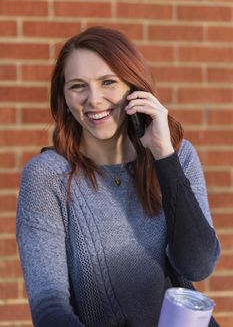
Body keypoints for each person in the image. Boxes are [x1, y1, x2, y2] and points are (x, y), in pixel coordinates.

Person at [16, 26, 220, 327]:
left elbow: (198, 265)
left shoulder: (177, 155)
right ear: (64, 97)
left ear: (134, 87)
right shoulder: (47, 176)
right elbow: (49, 306)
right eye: (77, 86)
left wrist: (164, 156)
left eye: (108, 82)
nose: (94, 99)